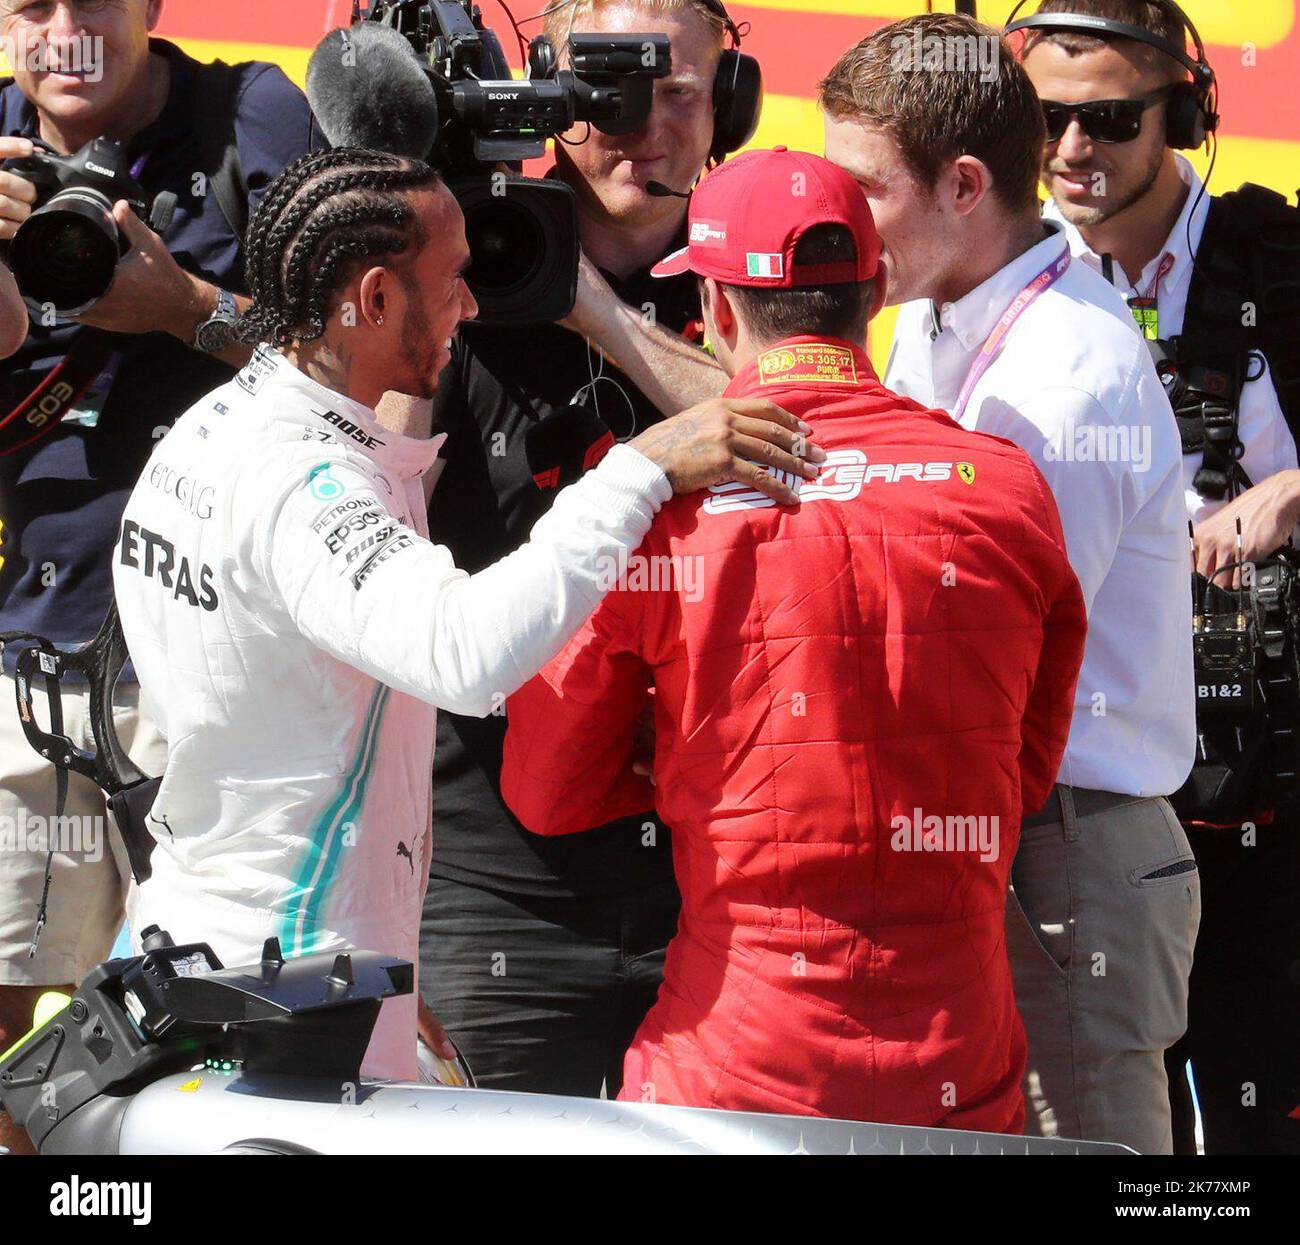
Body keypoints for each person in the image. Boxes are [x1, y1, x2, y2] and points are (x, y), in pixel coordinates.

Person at [110, 147, 821, 1084]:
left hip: (225, 940)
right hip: (289, 984)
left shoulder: (215, 428)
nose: (474, 307)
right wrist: (641, 471)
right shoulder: (308, 483)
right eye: (452, 284)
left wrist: (391, 979)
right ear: (371, 298)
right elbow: (467, 654)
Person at [499, 147, 1087, 1127]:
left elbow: (546, 793)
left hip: (734, 1071)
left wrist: (688, 772)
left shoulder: (651, 508)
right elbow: (1025, 774)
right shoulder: (1005, 485)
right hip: (959, 1069)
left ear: (716, 314)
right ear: (872, 293)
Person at [818, 12, 1197, 1153]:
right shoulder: (931, 308)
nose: (838, 221)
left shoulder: (1061, 374)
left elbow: (978, 666)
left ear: (965, 184)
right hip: (1002, 830)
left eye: (863, 189)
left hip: (1062, 851)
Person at [413, 0, 759, 1097]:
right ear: (544, 100)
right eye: (601, 90)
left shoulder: (765, 265)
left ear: (730, 109)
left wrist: (600, 316)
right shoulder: (451, 260)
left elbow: (805, 453)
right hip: (494, 869)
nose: (637, 124)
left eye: (676, 93)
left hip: (723, 868)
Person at [0, 0, 315, 1154]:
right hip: (34, 672)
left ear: (151, 8)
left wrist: (184, 308)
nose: (63, 30)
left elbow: (367, 356)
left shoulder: (250, 119)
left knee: (224, 1029)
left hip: (222, 676)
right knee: (10, 1051)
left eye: (94, 0)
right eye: (32, 3)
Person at [1017, 0, 1300, 1156]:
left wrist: (1291, 495)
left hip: (1270, 791)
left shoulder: (1280, 260)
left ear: (1182, 112)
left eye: (1110, 119)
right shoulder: (995, 276)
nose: (1074, 151)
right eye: (1046, 121)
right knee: (1106, 1136)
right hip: (1084, 795)